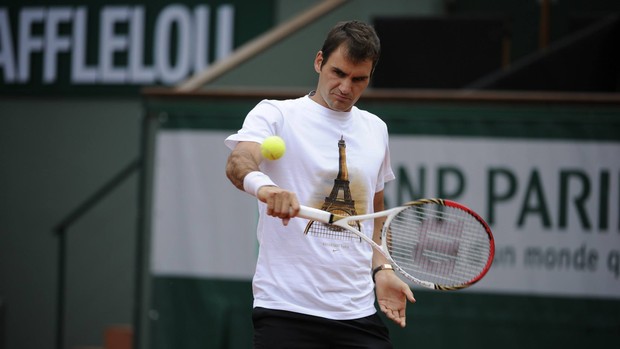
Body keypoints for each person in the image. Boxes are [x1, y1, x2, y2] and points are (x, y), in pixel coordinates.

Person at [225, 20, 415, 348]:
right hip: (286, 311)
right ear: (319, 62)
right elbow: (238, 163)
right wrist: (266, 188)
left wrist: (382, 268)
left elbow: (375, 213)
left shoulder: (376, 129)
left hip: (357, 313)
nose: (345, 87)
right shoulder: (275, 115)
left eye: (359, 79)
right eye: (338, 73)